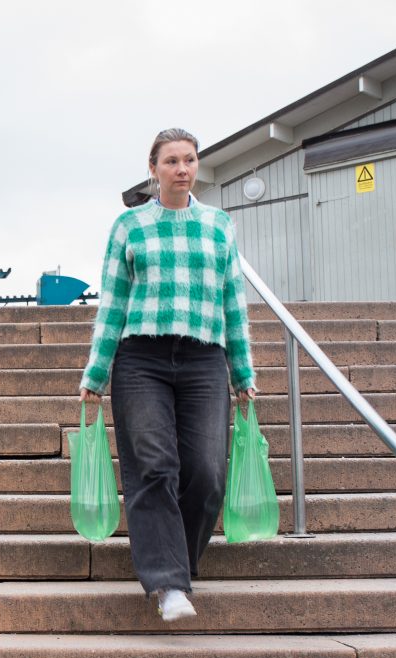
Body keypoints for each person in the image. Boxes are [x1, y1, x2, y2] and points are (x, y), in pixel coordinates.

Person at [78, 128, 258, 622]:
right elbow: (112, 304)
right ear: (153, 169)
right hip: (141, 359)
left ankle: (177, 564)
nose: (182, 168)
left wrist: (242, 372)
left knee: (206, 472)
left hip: (204, 359)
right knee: (154, 466)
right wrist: (95, 373)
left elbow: (233, 305)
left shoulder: (219, 226)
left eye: (189, 159)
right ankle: (169, 584)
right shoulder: (129, 227)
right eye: (171, 161)